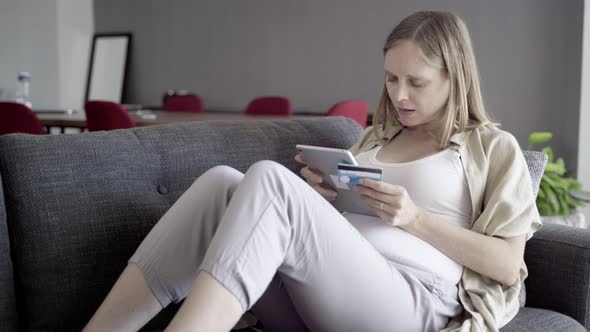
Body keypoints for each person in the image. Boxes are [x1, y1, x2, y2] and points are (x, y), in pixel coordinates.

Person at [83, 10, 541, 332]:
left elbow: (507, 264)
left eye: (416, 82)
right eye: (390, 78)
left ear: (454, 78)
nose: (399, 95)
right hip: (326, 293)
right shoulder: (376, 138)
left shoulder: (491, 148)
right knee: (221, 182)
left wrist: (417, 219)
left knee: (268, 179)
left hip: (412, 300)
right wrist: (323, 202)